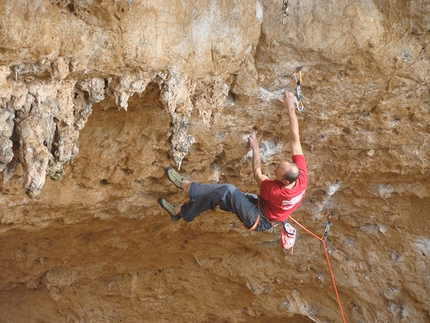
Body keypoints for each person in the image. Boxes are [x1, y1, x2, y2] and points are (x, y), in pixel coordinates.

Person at [158, 90, 307, 232]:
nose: (274, 171)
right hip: (263, 207)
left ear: (286, 182)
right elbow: (295, 139)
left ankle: (187, 186)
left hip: (258, 218)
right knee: (216, 195)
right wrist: (290, 108)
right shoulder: (301, 175)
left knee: (227, 191)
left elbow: (257, 173)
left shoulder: (275, 191)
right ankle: (180, 212)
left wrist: (256, 150)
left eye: (277, 174)